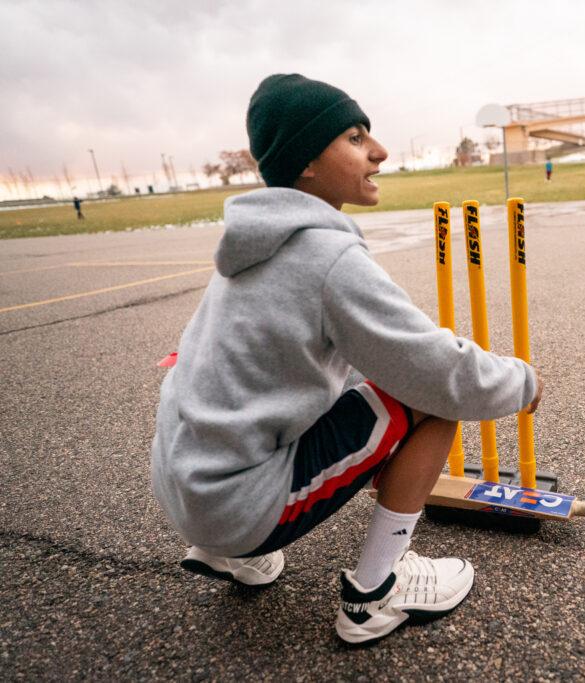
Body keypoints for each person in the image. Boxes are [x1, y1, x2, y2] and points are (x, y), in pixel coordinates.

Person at [150, 74, 543, 646]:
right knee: (430, 404)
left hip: (186, 488)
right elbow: (441, 375)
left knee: (340, 384)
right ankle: (375, 595)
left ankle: (226, 554)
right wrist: (523, 383)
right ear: (306, 162)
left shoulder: (250, 250)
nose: (379, 152)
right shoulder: (326, 255)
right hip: (235, 504)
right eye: (357, 139)